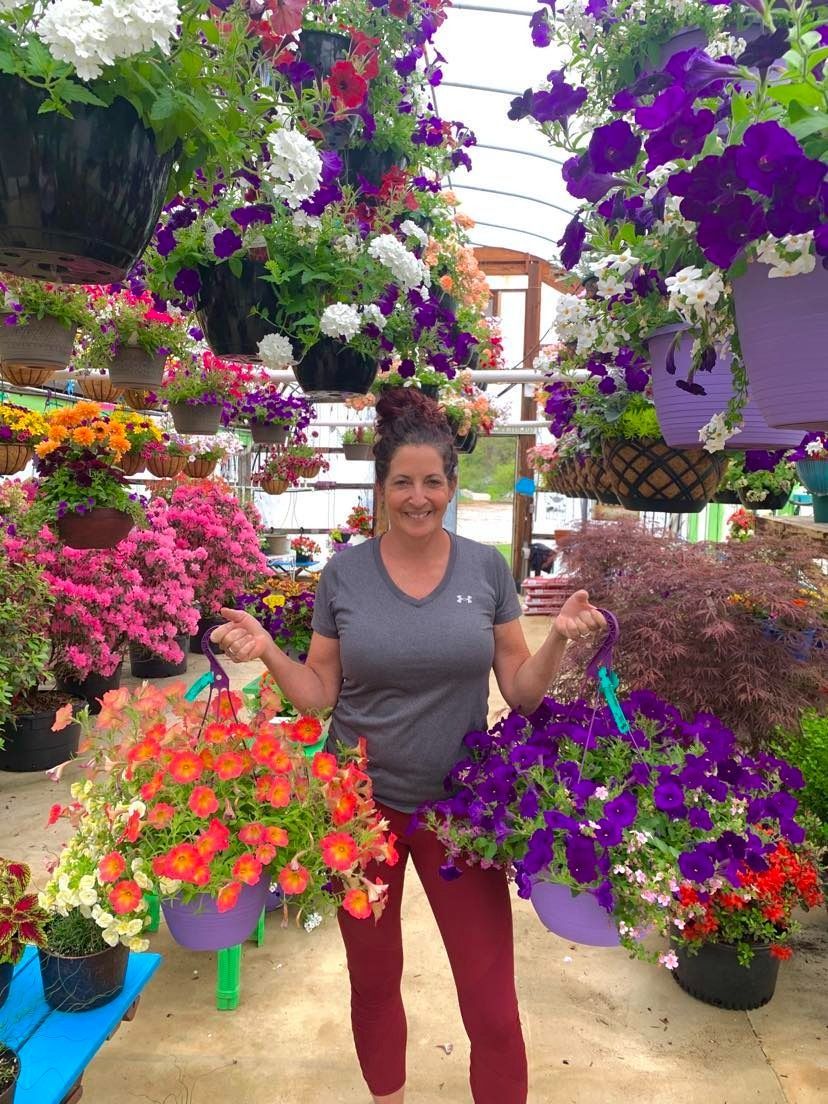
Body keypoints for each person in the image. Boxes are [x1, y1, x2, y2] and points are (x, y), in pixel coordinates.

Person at [212, 388, 606, 1104]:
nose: (418, 497)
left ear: (452, 487)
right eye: (403, 482)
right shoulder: (345, 574)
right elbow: (319, 695)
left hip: (461, 810)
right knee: (373, 978)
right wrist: (268, 649)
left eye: (432, 482)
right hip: (358, 810)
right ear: (381, 487)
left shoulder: (486, 570)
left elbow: (520, 690)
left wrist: (559, 644)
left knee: (490, 998)